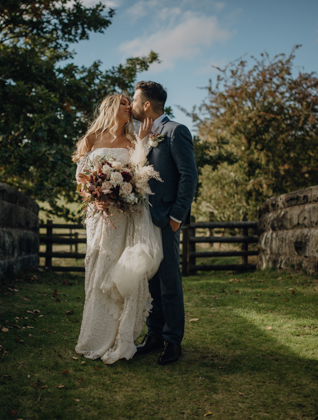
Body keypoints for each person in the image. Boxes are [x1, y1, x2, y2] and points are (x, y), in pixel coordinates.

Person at [73, 94, 163, 364]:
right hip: (98, 215)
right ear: (111, 107)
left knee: (120, 269)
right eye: (124, 103)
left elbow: (138, 173)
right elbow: (81, 179)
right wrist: (94, 196)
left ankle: (120, 337)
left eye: (129, 102)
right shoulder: (91, 139)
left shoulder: (134, 139)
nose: (129, 106)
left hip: (125, 215)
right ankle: (94, 335)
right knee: (98, 267)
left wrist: (144, 139)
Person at [130, 81, 198, 365]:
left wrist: (176, 217)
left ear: (147, 105)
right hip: (143, 220)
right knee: (151, 281)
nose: (131, 104)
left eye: (134, 99)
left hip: (165, 220)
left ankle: (172, 340)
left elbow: (188, 176)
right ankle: (155, 334)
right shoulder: (141, 133)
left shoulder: (175, 131)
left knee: (169, 282)